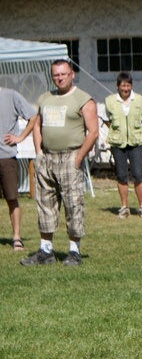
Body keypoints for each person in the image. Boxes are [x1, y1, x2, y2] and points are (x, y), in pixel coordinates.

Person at [20, 59, 99, 266]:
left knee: (73, 204)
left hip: (70, 157)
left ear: (72, 74)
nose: (60, 78)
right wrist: (38, 153)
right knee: (45, 204)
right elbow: (37, 125)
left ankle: (74, 252)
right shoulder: (45, 98)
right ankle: (45, 251)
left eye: (63, 74)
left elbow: (93, 132)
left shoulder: (83, 99)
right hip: (47, 157)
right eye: (56, 75)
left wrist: (79, 157)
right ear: (51, 76)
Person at [101, 72, 142, 219]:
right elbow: (106, 120)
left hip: (135, 142)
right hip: (117, 143)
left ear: (131, 86)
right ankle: (124, 207)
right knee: (121, 175)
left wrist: (132, 132)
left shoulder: (140, 100)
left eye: (128, 85)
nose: (126, 88)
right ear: (117, 86)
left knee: (138, 174)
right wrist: (119, 132)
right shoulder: (109, 101)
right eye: (123, 85)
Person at [0, 86, 37, 252]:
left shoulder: (11, 95)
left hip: (6, 156)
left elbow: (33, 116)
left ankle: (16, 237)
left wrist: (20, 137)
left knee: (11, 197)